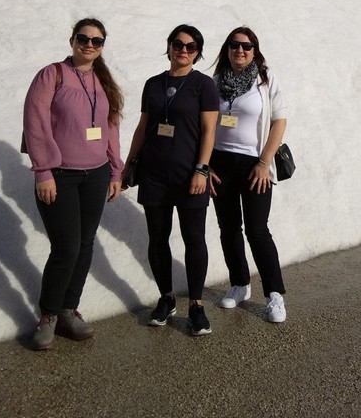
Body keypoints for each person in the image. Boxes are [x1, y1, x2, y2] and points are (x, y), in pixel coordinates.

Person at [23, 18, 124, 351]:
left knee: (84, 244)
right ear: (72, 40)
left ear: (102, 46)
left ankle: (69, 308)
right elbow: (35, 123)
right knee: (66, 247)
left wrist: (115, 170)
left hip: (95, 175)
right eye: (84, 38)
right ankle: (49, 314)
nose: (90, 45)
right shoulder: (52, 75)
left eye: (97, 41)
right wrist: (43, 172)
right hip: (60, 175)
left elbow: (110, 128)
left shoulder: (102, 81)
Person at [122, 25, 219, 336]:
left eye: (191, 47)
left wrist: (202, 169)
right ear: (169, 46)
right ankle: (166, 298)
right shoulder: (153, 84)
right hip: (154, 174)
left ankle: (196, 304)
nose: (183, 50)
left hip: (189, 175)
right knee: (157, 238)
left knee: (194, 239)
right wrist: (127, 166)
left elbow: (209, 131)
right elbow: (142, 127)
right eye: (178, 44)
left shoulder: (203, 85)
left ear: (198, 53)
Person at [209, 26, 289, 323]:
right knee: (228, 227)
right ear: (226, 49)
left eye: (246, 46)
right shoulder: (215, 82)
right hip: (220, 163)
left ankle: (274, 295)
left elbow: (279, 122)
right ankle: (240, 284)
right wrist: (206, 165)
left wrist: (264, 162)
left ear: (255, 50)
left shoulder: (265, 81)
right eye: (234, 45)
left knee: (257, 229)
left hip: (255, 163)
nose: (239, 50)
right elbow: (205, 127)